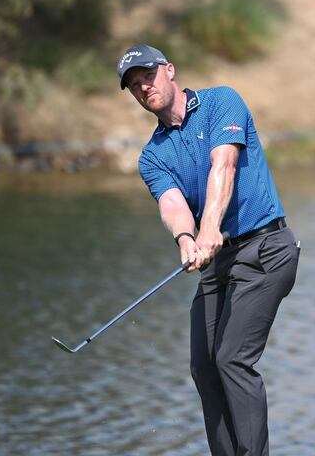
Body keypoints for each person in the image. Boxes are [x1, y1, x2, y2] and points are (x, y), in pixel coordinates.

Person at [116, 44, 299, 456]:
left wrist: (210, 227)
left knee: (232, 359)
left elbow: (224, 166)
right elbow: (172, 203)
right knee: (204, 365)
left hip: (266, 250)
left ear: (170, 70)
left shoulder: (222, 101)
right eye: (133, 85)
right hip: (218, 262)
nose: (143, 87)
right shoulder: (152, 156)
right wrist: (186, 238)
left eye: (147, 75)